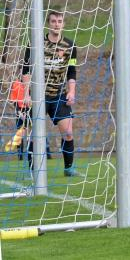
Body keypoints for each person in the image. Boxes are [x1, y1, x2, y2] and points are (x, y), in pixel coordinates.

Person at [21, 10, 80, 176]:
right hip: (38, 96)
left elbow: (72, 71)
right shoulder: (35, 43)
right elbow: (26, 71)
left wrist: (72, 91)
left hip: (59, 95)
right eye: (53, 21)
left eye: (59, 21)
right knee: (35, 136)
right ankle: (33, 172)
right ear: (48, 23)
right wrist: (27, 94)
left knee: (68, 133)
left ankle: (68, 168)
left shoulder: (70, 46)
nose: (56, 24)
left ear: (63, 24)